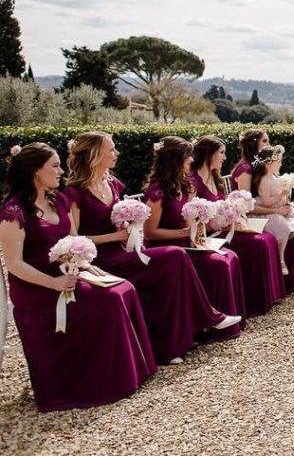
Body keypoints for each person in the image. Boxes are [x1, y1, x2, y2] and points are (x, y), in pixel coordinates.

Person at [0, 143, 157, 411]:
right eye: (55, 166)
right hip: (38, 288)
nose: (61, 171)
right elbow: (14, 264)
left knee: (124, 289)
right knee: (106, 300)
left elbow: (73, 239)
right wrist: (54, 283)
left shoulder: (57, 200)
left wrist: (86, 266)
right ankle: (95, 382)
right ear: (35, 171)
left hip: (69, 273)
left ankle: (127, 373)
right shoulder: (13, 212)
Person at [65, 132, 237, 365]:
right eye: (111, 149)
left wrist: (130, 227)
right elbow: (74, 239)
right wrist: (115, 235)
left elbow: (124, 224)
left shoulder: (112, 184)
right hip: (101, 259)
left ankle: (175, 344)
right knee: (175, 255)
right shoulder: (74, 192)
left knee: (175, 263)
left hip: (125, 250)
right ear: (96, 155)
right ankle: (208, 317)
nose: (116, 153)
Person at [142, 136, 246, 340]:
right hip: (167, 247)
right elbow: (149, 233)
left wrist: (198, 228)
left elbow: (189, 222)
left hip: (188, 244)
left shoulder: (185, 186)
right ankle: (209, 321)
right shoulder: (156, 191)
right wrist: (183, 234)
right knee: (217, 264)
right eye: (188, 156)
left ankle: (230, 322)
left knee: (230, 255)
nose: (191, 160)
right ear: (177, 159)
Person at [191, 135, 286, 316]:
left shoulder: (215, 177)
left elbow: (223, 203)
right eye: (221, 153)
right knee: (258, 244)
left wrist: (232, 214)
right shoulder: (193, 180)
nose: (225, 158)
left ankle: (268, 297)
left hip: (225, 227)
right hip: (210, 233)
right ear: (209, 154)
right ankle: (253, 302)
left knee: (267, 239)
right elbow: (193, 216)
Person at [231, 129, 294, 292]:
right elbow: (246, 206)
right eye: (264, 141)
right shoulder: (245, 169)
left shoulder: (259, 168)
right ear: (253, 143)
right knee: (285, 226)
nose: (268, 145)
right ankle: (284, 267)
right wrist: (278, 211)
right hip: (251, 215)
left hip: (268, 208)